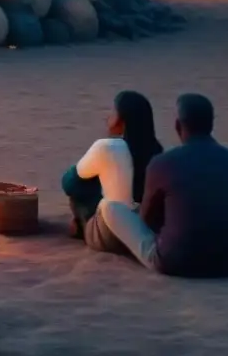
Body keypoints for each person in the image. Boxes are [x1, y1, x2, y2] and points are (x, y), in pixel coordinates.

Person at [98, 94, 228, 277]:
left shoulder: (162, 163)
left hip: (176, 263)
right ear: (211, 124)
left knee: (110, 208)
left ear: (178, 126)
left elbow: (146, 220)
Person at [61, 91, 163, 253]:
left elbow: (68, 183)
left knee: (79, 192)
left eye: (113, 113)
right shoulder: (158, 152)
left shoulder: (107, 147)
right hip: (144, 231)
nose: (108, 118)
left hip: (111, 236)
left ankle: (82, 226)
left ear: (121, 120)